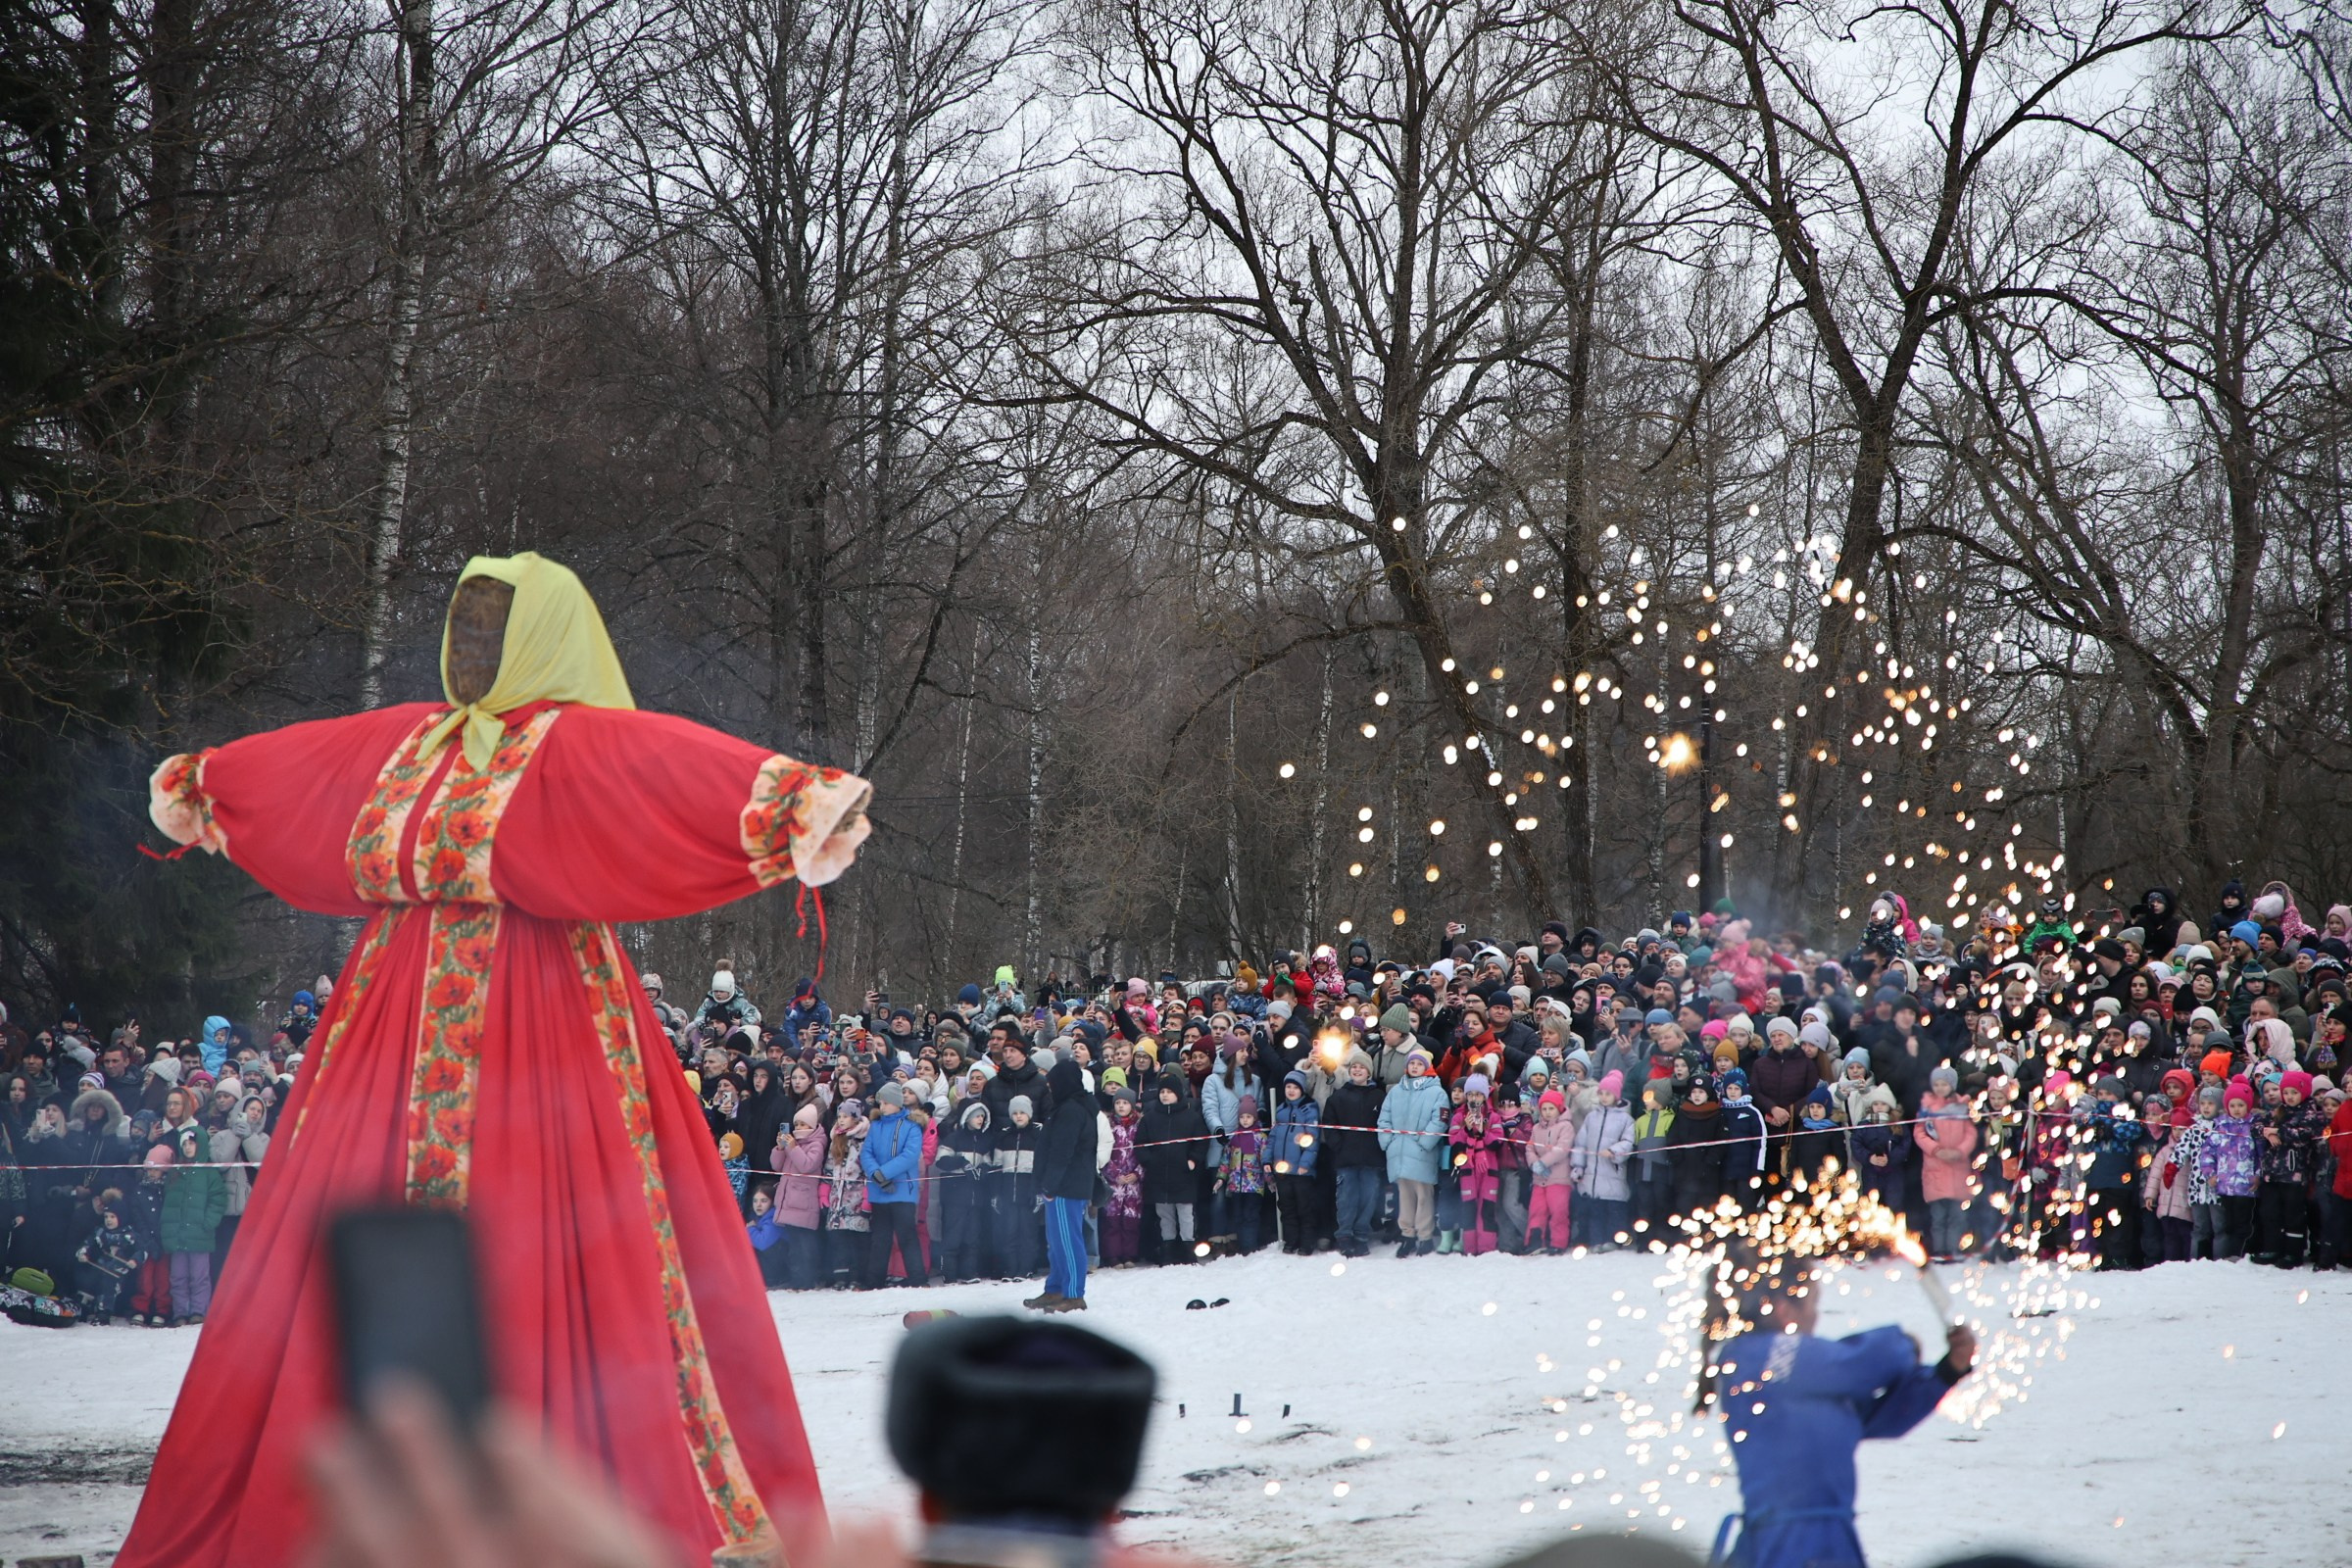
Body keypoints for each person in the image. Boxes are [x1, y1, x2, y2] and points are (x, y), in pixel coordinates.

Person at [128, 552, 869, 1567]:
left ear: (541, 642)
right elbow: (307, 766)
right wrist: (209, 783)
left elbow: (667, 768)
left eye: (494, 631)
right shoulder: (413, 742)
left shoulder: (570, 747)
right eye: (463, 628)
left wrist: (794, 806)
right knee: (349, 1241)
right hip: (386, 1036)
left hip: (551, 1017)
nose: (472, 650)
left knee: (557, 1236)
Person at [1701, 1250, 1977, 1568]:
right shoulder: (1755, 1357)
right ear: (1782, 1310)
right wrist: (1904, 1344)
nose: (1815, 1318)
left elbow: (1880, 1416)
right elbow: (1856, 1364)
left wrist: (1946, 1372)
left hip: (1829, 1539)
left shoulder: (1798, 1377)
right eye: (1812, 1305)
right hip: (1785, 1543)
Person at [1031, 1057, 1098, 1310]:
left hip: (1065, 1186)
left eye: (1052, 1084)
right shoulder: (1073, 1106)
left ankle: (1073, 1294)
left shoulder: (1071, 1110)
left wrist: (1050, 1184)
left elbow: (1062, 1151)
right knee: (1056, 1241)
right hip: (1065, 1184)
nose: (1050, 1089)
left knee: (1068, 1241)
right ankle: (1055, 1288)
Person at [1377, 1047, 1448, 1256]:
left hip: (1421, 1153)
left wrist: (1424, 1142)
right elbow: (1384, 1118)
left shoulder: (1437, 1092)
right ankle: (1407, 1234)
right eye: (1412, 1063)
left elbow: (1440, 1120)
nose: (1415, 1067)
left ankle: (1425, 1236)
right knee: (1404, 1195)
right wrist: (1388, 1141)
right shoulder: (1396, 1091)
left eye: (1419, 1064)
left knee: (1424, 1195)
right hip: (1398, 1152)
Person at [861, 1082, 926, 1288]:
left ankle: (918, 1279)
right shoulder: (876, 1125)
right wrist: (877, 1176)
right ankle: (874, 1281)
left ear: (898, 1104)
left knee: (907, 1237)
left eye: (887, 1102)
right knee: (880, 1239)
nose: (883, 1106)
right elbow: (866, 1153)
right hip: (879, 1190)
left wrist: (883, 1173)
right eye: (881, 1101)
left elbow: (910, 1155)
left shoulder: (911, 1126)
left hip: (902, 1192)